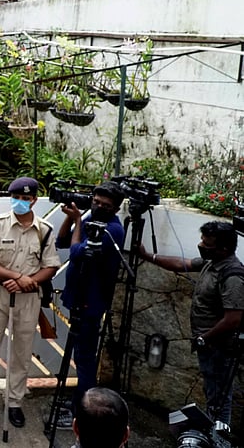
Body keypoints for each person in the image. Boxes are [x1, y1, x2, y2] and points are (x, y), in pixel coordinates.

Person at [0, 176, 61, 428]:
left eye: (25, 199)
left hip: (28, 298)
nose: (19, 202)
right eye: (16, 197)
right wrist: (16, 276)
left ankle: (15, 401)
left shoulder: (45, 230)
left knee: (21, 352)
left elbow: (50, 266)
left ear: (34, 201)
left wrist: (27, 281)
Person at [139, 221, 244, 424]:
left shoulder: (232, 277)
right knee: (212, 393)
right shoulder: (211, 263)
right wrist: (147, 256)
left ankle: (219, 439)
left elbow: (233, 319)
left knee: (219, 400)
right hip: (208, 345)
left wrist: (205, 338)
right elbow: (181, 264)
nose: (201, 245)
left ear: (223, 248)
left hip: (219, 348)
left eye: (207, 243)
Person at [54, 182, 126, 429]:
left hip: (91, 302)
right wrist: (72, 218)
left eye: (106, 205)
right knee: (80, 355)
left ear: (116, 208)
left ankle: (81, 414)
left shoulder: (113, 230)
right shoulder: (90, 218)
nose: (99, 207)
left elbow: (76, 253)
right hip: (78, 297)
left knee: (84, 359)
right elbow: (62, 242)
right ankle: (78, 403)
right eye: (96, 201)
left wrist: (77, 221)